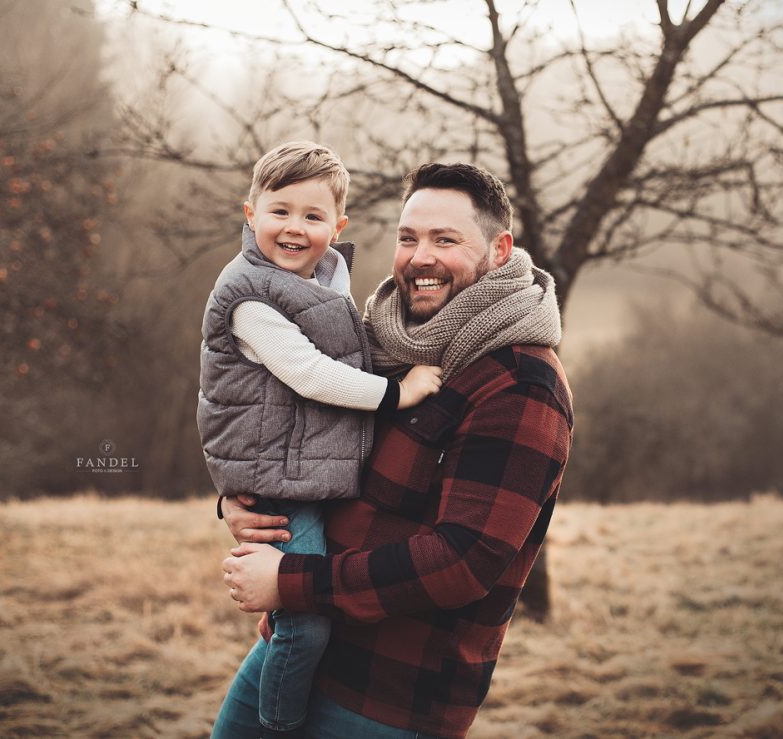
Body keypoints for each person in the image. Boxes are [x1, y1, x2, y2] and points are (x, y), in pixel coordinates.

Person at [217, 162, 573, 739]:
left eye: (445, 240)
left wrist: (290, 581)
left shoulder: (519, 385)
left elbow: (462, 561)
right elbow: (304, 437)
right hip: (293, 648)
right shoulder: (380, 343)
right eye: (409, 238)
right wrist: (242, 503)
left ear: (500, 250)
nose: (420, 257)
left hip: (389, 696)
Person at [197, 141, 443, 739]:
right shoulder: (249, 297)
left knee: (311, 610)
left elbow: (345, 352)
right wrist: (397, 395)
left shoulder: (327, 279)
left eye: (313, 217)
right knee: (306, 624)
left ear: (339, 225)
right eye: (279, 211)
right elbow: (308, 372)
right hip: (279, 485)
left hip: (308, 473)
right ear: (250, 212)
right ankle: (281, 724)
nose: (294, 228)